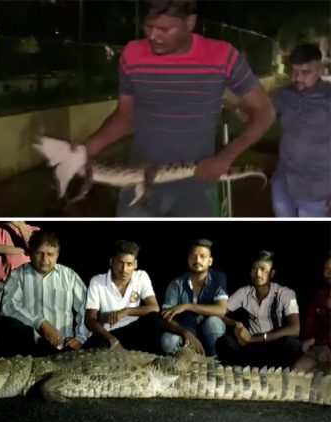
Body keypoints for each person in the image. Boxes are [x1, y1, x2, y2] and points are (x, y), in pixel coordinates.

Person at [76, 0, 274, 217]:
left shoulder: (222, 56)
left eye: (164, 29)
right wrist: (86, 149)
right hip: (138, 182)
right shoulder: (132, 54)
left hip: (196, 187)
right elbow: (125, 116)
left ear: (190, 22)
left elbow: (265, 112)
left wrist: (227, 157)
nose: (153, 37)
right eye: (148, 27)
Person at [229, 43, 330, 217]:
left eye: (306, 72)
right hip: (283, 183)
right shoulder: (285, 95)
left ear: (321, 70)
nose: (298, 78)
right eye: (295, 71)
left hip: (317, 191)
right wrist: (234, 108)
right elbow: (262, 119)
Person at [82, 240, 196, 355]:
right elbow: (89, 320)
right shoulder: (97, 281)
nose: (124, 269)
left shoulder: (141, 276)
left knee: (155, 319)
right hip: (109, 333)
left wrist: (126, 311)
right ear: (112, 262)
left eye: (129, 264)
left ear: (135, 264)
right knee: (94, 347)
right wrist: (112, 339)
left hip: (133, 331)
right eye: (120, 263)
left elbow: (154, 307)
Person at [0, 229, 90, 357]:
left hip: (63, 346)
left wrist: (81, 338)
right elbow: (7, 306)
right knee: (8, 324)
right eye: (39, 253)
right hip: (29, 345)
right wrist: (40, 323)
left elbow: (86, 307)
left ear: (57, 255)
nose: (44, 260)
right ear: (30, 253)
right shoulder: (18, 275)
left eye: (50, 254)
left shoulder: (69, 276)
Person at [216, 250, 302, 368]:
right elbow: (218, 312)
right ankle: (242, 374)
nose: (258, 274)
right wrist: (236, 324)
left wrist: (254, 338)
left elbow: (295, 329)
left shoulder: (286, 293)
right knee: (225, 342)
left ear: (272, 273)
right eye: (254, 269)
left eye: (263, 269)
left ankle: (268, 372)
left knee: (292, 344)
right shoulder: (244, 292)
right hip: (251, 348)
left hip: (274, 346)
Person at [160, 239, 228, 357]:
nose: (197, 260)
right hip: (185, 334)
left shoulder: (218, 278)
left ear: (210, 261)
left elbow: (221, 310)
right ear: (188, 259)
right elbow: (166, 318)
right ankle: (181, 365)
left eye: (203, 256)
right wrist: (186, 334)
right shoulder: (176, 284)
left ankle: (215, 362)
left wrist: (187, 306)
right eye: (194, 256)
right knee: (167, 340)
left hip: (209, 333)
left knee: (214, 322)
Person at [292, 256, 331, 374]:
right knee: (297, 369)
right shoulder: (318, 298)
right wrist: (312, 343)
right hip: (318, 349)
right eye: (326, 269)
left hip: (322, 345)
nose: (328, 273)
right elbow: (309, 330)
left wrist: (315, 340)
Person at [0, 221, 39, 307]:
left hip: (27, 283)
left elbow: (33, 249)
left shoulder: (34, 230)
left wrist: (20, 226)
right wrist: (22, 250)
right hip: (5, 282)